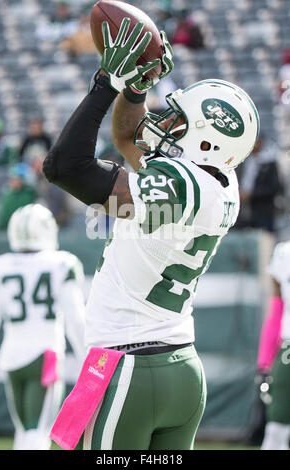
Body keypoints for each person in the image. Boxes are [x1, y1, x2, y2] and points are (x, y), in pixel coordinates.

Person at [43, 18, 259, 450]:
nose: (166, 123)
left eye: (180, 121)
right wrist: (136, 89)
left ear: (206, 141)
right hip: (179, 365)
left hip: (129, 368)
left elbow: (65, 168)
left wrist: (106, 82)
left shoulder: (179, 185)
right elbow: (126, 136)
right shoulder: (218, 184)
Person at [0, 204, 86, 450]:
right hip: (45, 355)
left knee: (25, 430)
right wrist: (90, 363)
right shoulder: (61, 263)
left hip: (11, 358)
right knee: (37, 432)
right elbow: (76, 320)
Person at [256, 241, 290, 450]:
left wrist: (264, 364)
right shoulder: (284, 253)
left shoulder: (284, 253)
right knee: (277, 429)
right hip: (288, 352)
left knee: (276, 432)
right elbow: (277, 311)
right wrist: (265, 362)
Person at [238, 135, 281, 232]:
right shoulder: (242, 161)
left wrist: (251, 194)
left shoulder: (269, 163)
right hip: (243, 210)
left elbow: (273, 187)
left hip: (262, 211)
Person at [0, 162, 38, 231]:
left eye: (16, 179)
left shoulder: (29, 194)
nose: (12, 181)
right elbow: (3, 217)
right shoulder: (7, 195)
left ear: (22, 180)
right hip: (7, 230)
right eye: (11, 179)